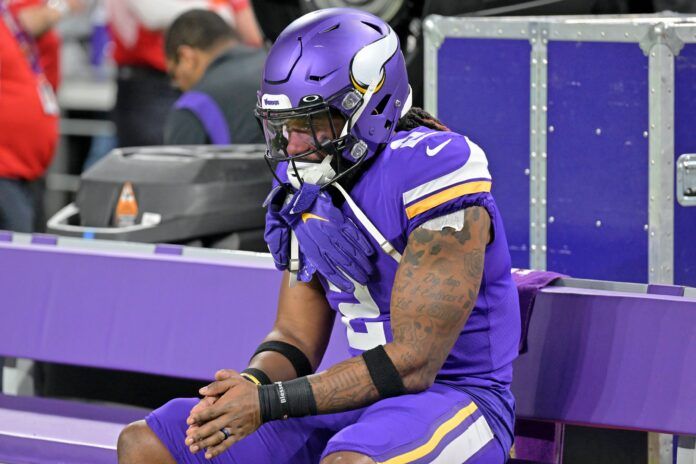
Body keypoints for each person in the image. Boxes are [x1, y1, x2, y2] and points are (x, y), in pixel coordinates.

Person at [117, 7, 520, 464]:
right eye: (284, 125)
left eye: (308, 122)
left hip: (459, 398)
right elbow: (293, 335)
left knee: (348, 462)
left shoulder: (435, 166)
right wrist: (249, 387)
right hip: (362, 400)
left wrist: (271, 403)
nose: (292, 145)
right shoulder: (303, 182)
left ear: (368, 106)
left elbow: (414, 361)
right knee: (151, 441)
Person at [105, 0, 263, 148]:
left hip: (153, 89)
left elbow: (177, 173)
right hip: (146, 79)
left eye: (175, 77)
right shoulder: (273, 70)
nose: (178, 86)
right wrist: (216, 8)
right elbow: (153, 14)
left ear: (186, 58)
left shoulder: (195, 102)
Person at [163, 9, 265, 145]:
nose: (177, 85)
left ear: (186, 57)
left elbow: (180, 166)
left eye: (173, 75)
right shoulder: (282, 65)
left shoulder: (193, 106)